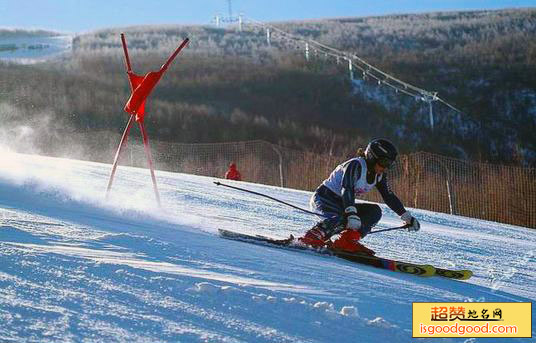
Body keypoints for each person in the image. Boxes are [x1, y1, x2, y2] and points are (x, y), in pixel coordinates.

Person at [298, 138, 420, 255]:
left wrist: (406, 216)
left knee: (374, 211)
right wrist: (351, 213)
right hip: (324, 198)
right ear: (372, 157)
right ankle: (311, 238)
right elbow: (347, 188)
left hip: (343, 202)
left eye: (390, 165)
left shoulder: (379, 175)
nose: (385, 168)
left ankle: (347, 241)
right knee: (342, 218)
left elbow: (388, 196)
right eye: (384, 163)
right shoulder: (355, 165)